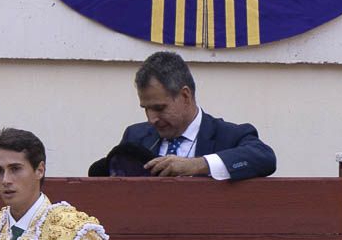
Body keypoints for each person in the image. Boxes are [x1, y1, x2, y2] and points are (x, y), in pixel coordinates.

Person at [115, 50, 275, 180]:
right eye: (146, 108)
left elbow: (264, 157)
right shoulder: (135, 137)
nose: (151, 119)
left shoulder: (228, 136)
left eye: (159, 108)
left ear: (185, 96)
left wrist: (197, 165)